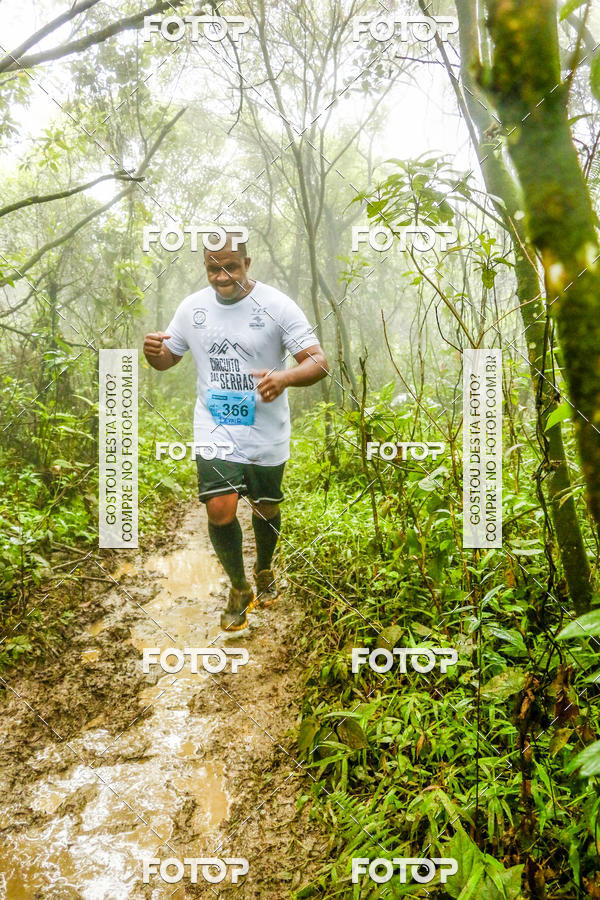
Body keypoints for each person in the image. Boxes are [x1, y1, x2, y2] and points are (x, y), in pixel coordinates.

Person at [143, 232, 329, 631]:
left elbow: (318, 360)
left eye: (230, 267)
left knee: (265, 507)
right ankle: (240, 587)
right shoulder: (192, 308)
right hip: (215, 426)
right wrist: (154, 355)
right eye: (213, 269)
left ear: (247, 263)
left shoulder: (277, 305)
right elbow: (168, 359)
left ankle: (264, 567)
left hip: (266, 429)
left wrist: (285, 377)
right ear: (205, 268)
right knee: (219, 508)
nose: (222, 276)